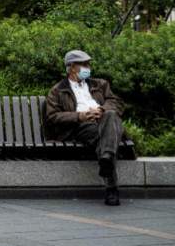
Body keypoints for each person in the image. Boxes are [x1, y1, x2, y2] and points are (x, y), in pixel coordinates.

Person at [45, 49, 125, 206]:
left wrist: (101, 110)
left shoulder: (100, 84)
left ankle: (106, 160)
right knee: (107, 138)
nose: (88, 67)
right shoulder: (57, 91)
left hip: (104, 121)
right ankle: (111, 187)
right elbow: (53, 117)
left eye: (88, 64)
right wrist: (80, 116)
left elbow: (116, 102)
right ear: (72, 67)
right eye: (84, 64)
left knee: (110, 117)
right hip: (81, 127)